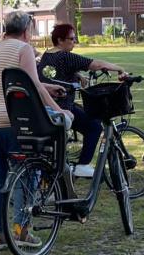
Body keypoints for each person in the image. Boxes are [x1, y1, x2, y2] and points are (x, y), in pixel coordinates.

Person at [0, 10, 72, 251]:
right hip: (9, 120)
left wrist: (46, 86)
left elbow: (9, 80)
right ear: (27, 30)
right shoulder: (23, 49)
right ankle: (21, 231)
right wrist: (60, 111)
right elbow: (33, 84)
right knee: (26, 174)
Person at [37, 24, 127, 178]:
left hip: (44, 106)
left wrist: (77, 75)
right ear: (60, 40)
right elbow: (96, 64)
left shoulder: (47, 55)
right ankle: (83, 165)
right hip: (63, 107)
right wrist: (119, 69)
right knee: (94, 127)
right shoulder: (66, 56)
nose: (75, 42)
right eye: (71, 39)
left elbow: (54, 74)